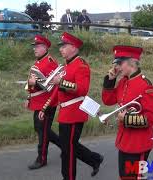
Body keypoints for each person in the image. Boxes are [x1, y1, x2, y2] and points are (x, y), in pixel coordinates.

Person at [39, 32, 103, 180]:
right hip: (65, 112)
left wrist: (60, 82)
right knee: (68, 146)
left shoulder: (81, 65)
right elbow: (57, 90)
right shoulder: (65, 66)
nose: (61, 49)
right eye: (61, 46)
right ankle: (94, 159)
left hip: (75, 112)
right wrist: (45, 107)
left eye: (64, 46)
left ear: (74, 48)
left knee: (67, 150)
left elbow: (82, 89)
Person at [102, 45, 153, 179]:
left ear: (132, 62)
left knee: (135, 178)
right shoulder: (123, 82)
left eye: (120, 63)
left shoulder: (146, 86)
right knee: (125, 177)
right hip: (125, 139)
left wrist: (127, 119)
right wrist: (110, 81)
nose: (117, 67)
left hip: (139, 143)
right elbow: (108, 100)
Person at [24, 34, 61, 170]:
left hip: (47, 103)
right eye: (34, 46)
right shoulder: (39, 61)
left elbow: (50, 85)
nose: (35, 49)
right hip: (37, 101)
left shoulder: (50, 62)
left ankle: (42, 159)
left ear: (45, 47)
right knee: (40, 130)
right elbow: (34, 83)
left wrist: (36, 83)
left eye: (38, 46)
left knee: (43, 132)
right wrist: (29, 97)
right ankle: (65, 146)